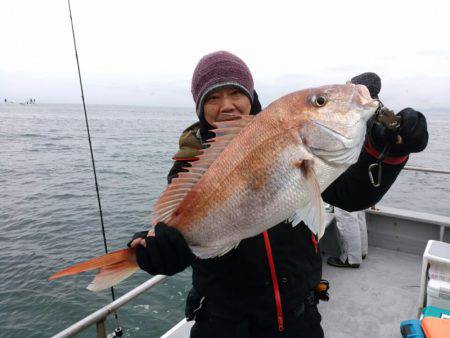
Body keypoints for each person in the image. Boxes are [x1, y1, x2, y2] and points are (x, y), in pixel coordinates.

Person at [129, 52, 428, 338]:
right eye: (213, 97)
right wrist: (160, 250)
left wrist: (390, 149)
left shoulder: (298, 143)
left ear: (250, 94)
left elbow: (353, 196)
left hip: (299, 317)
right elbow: (180, 228)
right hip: (224, 323)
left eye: (235, 92)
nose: (227, 105)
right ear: (200, 106)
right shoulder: (192, 162)